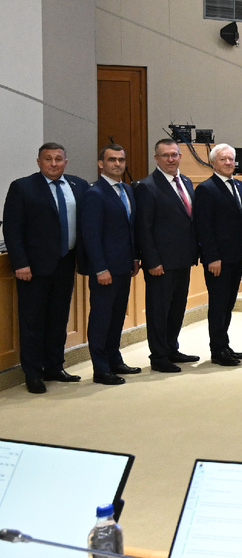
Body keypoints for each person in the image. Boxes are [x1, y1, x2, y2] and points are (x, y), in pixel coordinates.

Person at [2, 142, 89, 393]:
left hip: (66, 263)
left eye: (58, 159)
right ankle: (33, 373)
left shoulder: (78, 186)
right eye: (48, 159)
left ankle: (54, 367)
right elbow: (12, 229)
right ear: (38, 162)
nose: (53, 164)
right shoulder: (22, 187)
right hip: (33, 268)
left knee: (58, 319)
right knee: (32, 322)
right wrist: (21, 263)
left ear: (66, 162)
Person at [134, 138, 200, 373]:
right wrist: (151, 260)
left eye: (174, 155)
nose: (171, 159)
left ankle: (172, 348)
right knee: (159, 311)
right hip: (160, 262)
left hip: (183, 259)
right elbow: (144, 228)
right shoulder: (147, 186)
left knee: (176, 308)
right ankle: (159, 355)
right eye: (165, 155)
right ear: (156, 158)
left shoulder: (186, 182)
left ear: (180, 156)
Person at [78, 144, 141, 386]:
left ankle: (115, 359)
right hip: (105, 270)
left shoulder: (127, 189)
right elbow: (91, 235)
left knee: (116, 318)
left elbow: (130, 229)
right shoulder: (95, 194)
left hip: (124, 266)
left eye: (121, 160)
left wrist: (135, 258)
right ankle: (100, 368)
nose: (117, 164)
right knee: (102, 319)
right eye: (112, 160)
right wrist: (100, 268)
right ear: (100, 164)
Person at [193, 143, 242, 365]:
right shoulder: (206, 189)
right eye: (223, 159)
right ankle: (217, 350)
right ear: (213, 162)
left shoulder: (240, 186)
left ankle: (225, 345)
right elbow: (204, 227)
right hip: (218, 259)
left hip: (237, 257)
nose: (228, 163)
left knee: (228, 304)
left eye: (231, 159)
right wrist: (212, 257)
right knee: (218, 305)